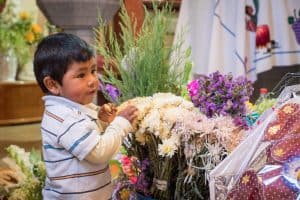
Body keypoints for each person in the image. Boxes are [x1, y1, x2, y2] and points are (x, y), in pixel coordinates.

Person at [33, 32, 137, 199]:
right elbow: (98, 152)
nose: (92, 80)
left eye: (93, 70)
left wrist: (101, 122)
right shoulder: (65, 117)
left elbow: (85, 137)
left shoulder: (73, 108)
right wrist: (121, 123)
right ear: (52, 84)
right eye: (81, 75)